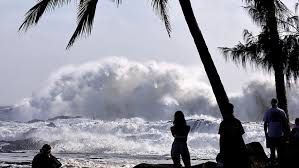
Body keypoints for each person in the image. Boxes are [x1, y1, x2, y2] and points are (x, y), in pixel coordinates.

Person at [218, 103, 248, 168]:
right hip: (237, 151)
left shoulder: (223, 124)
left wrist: (221, 153)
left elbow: (221, 140)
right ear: (232, 111)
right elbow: (241, 139)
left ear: (225, 111)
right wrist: (244, 151)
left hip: (227, 152)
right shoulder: (237, 122)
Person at [263, 98, 289, 165]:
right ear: (277, 102)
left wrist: (266, 133)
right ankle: (279, 163)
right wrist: (285, 133)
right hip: (279, 134)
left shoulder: (268, 111)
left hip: (271, 134)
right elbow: (285, 123)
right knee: (279, 151)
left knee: (272, 150)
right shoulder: (281, 111)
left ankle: (272, 163)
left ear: (271, 103)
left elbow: (265, 123)